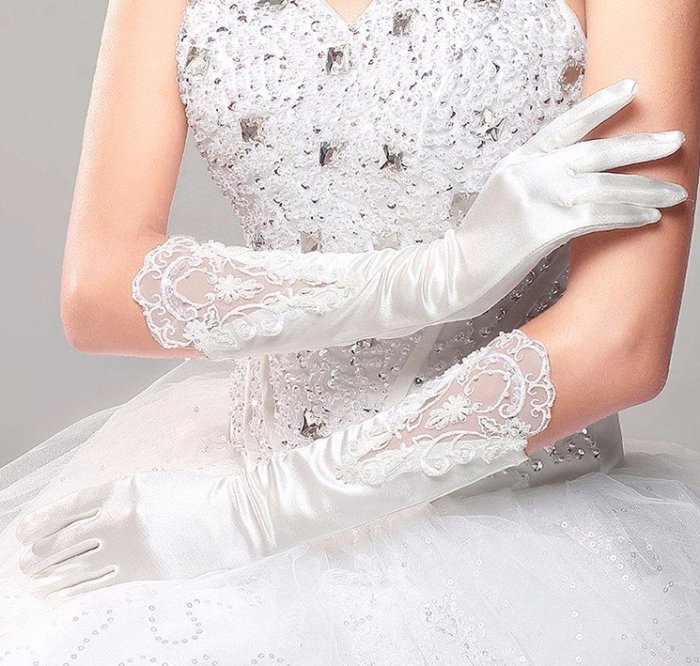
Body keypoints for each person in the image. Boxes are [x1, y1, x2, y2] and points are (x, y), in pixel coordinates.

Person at [0, 0, 698, 662]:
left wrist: (249, 515)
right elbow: (100, 290)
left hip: (526, 543)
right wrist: (441, 276)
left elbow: (622, 343)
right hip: (234, 482)